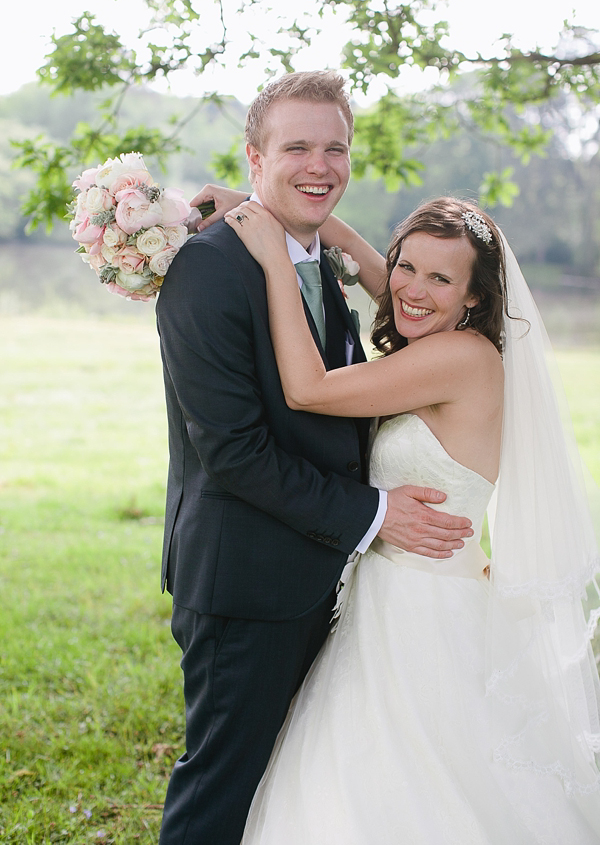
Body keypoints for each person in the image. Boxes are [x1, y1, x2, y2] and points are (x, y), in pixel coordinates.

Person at [220, 195, 600, 843]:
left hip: (426, 613)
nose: (412, 290)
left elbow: (307, 390)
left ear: (474, 298)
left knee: (415, 788)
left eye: (440, 278)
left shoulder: (458, 359)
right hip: (392, 597)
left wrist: (273, 262)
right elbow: (371, 263)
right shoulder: (445, 334)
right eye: (407, 266)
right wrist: (260, 204)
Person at [155, 71, 473, 845]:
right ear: (253, 155)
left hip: (314, 574)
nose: (319, 165)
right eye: (296, 146)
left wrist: (312, 232)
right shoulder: (208, 268)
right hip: (246, 583)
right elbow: (232, 452)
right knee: (222, 794)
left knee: (289, 792)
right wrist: (375, 514)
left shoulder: (306, 257)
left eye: (336, 148)